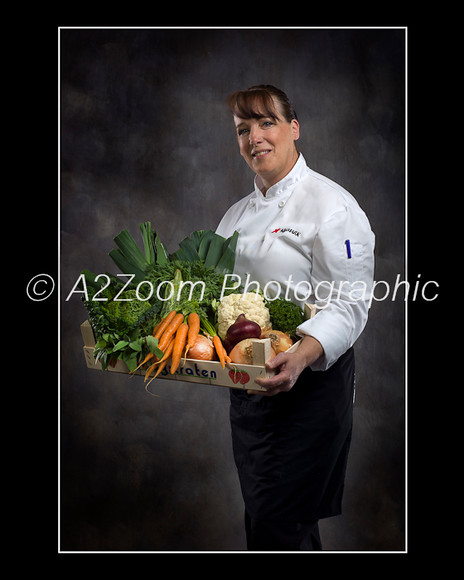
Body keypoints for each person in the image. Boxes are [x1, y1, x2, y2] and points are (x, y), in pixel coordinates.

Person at [215, 85, 375, 551]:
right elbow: (213, 298)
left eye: (267, 123)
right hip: (249, 392)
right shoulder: (235, 217)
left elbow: (349, 303)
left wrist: (301, 356)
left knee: (278, 528)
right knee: (272, 525)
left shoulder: (332, 206)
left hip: (309, 389)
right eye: (244, 129)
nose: (255, 138)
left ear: (294, 129)